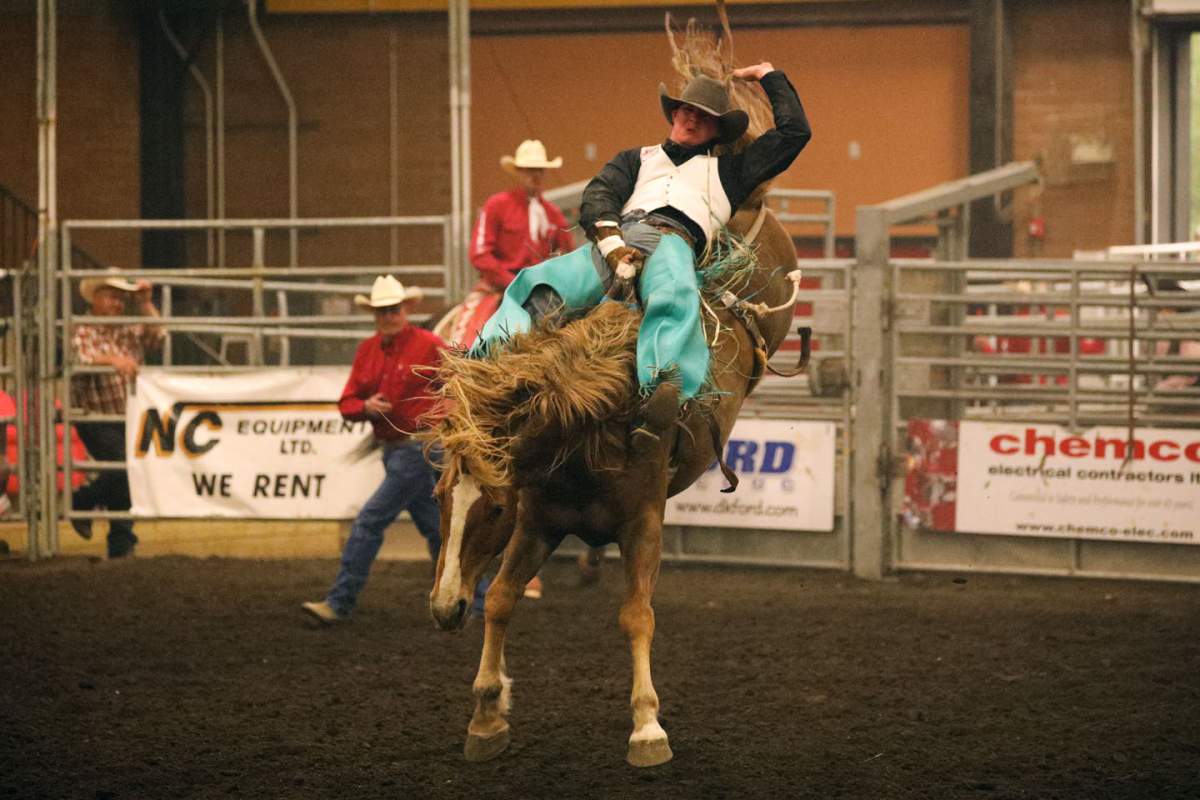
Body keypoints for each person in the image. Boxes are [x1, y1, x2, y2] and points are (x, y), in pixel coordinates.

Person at [471, 63, 811, 439]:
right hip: (618, 240)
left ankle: (662, 389)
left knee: (674, 297)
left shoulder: (732, 172)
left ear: (717, 129)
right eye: (687, 110)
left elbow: (795, 133)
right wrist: (613, 245)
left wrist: (768, 75)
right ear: (674, 113)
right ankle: (484, 363)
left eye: (703, 116)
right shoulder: (636, 159)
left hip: (674, 242)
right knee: (539, 282)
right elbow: (600, 194)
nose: (692, 119)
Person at [303, 275, 484, 624]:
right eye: (383, 311)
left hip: (417, 449)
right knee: (436, 529)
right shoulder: (368, 351)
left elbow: (459, 379)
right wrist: (366, 406)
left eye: (393, 309)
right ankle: (478, 600)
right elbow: (347, 402)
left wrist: (448, 415)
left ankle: (339, 602)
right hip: (402, 450)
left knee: (369, 522)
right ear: (375, 314)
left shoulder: (428, 344)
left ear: (405, 310)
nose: (388, 316)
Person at [70, 268, 164, 558]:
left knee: (125, 470)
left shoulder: (127, 328)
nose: (118, 303)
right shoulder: (82, 328)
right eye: (112, 296)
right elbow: (80, 358)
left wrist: (145, 304)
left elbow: (159, 336)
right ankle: (85, 503)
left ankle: (119, 541)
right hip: (94, 416)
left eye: (121, 298)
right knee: (125, 467)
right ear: (95, 298)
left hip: (128, 416)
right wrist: (112, 359)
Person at [453, 139, 576, 351]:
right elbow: (479, 254)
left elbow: (569, 256)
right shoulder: (497, 205)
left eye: (539, 170)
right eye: (529, 170)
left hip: (541, 290)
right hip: (499, 286)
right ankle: (464, 357)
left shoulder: (553, 214)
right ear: (519, 172)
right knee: (467, 337)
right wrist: (512, 281)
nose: (535, 175)